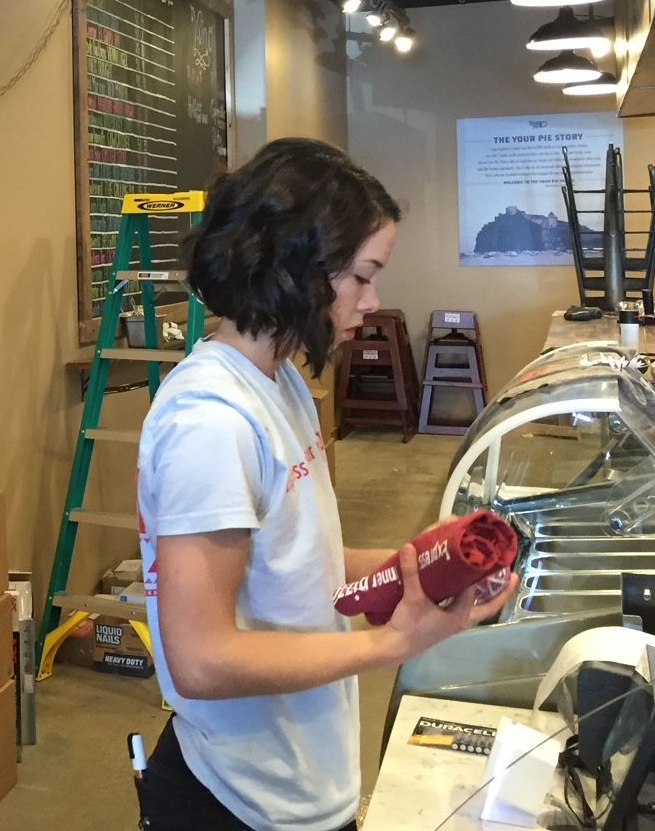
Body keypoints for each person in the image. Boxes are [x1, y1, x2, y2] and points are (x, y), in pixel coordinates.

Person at [135, 138, 517, 831]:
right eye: (363, 276)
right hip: (239, 799)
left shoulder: (281, 384)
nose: (373, 301)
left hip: (304, 775)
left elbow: (298, 569)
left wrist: (424, 567)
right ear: (294, 268)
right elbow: (202, 659)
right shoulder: (211, 422)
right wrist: (389, 644)